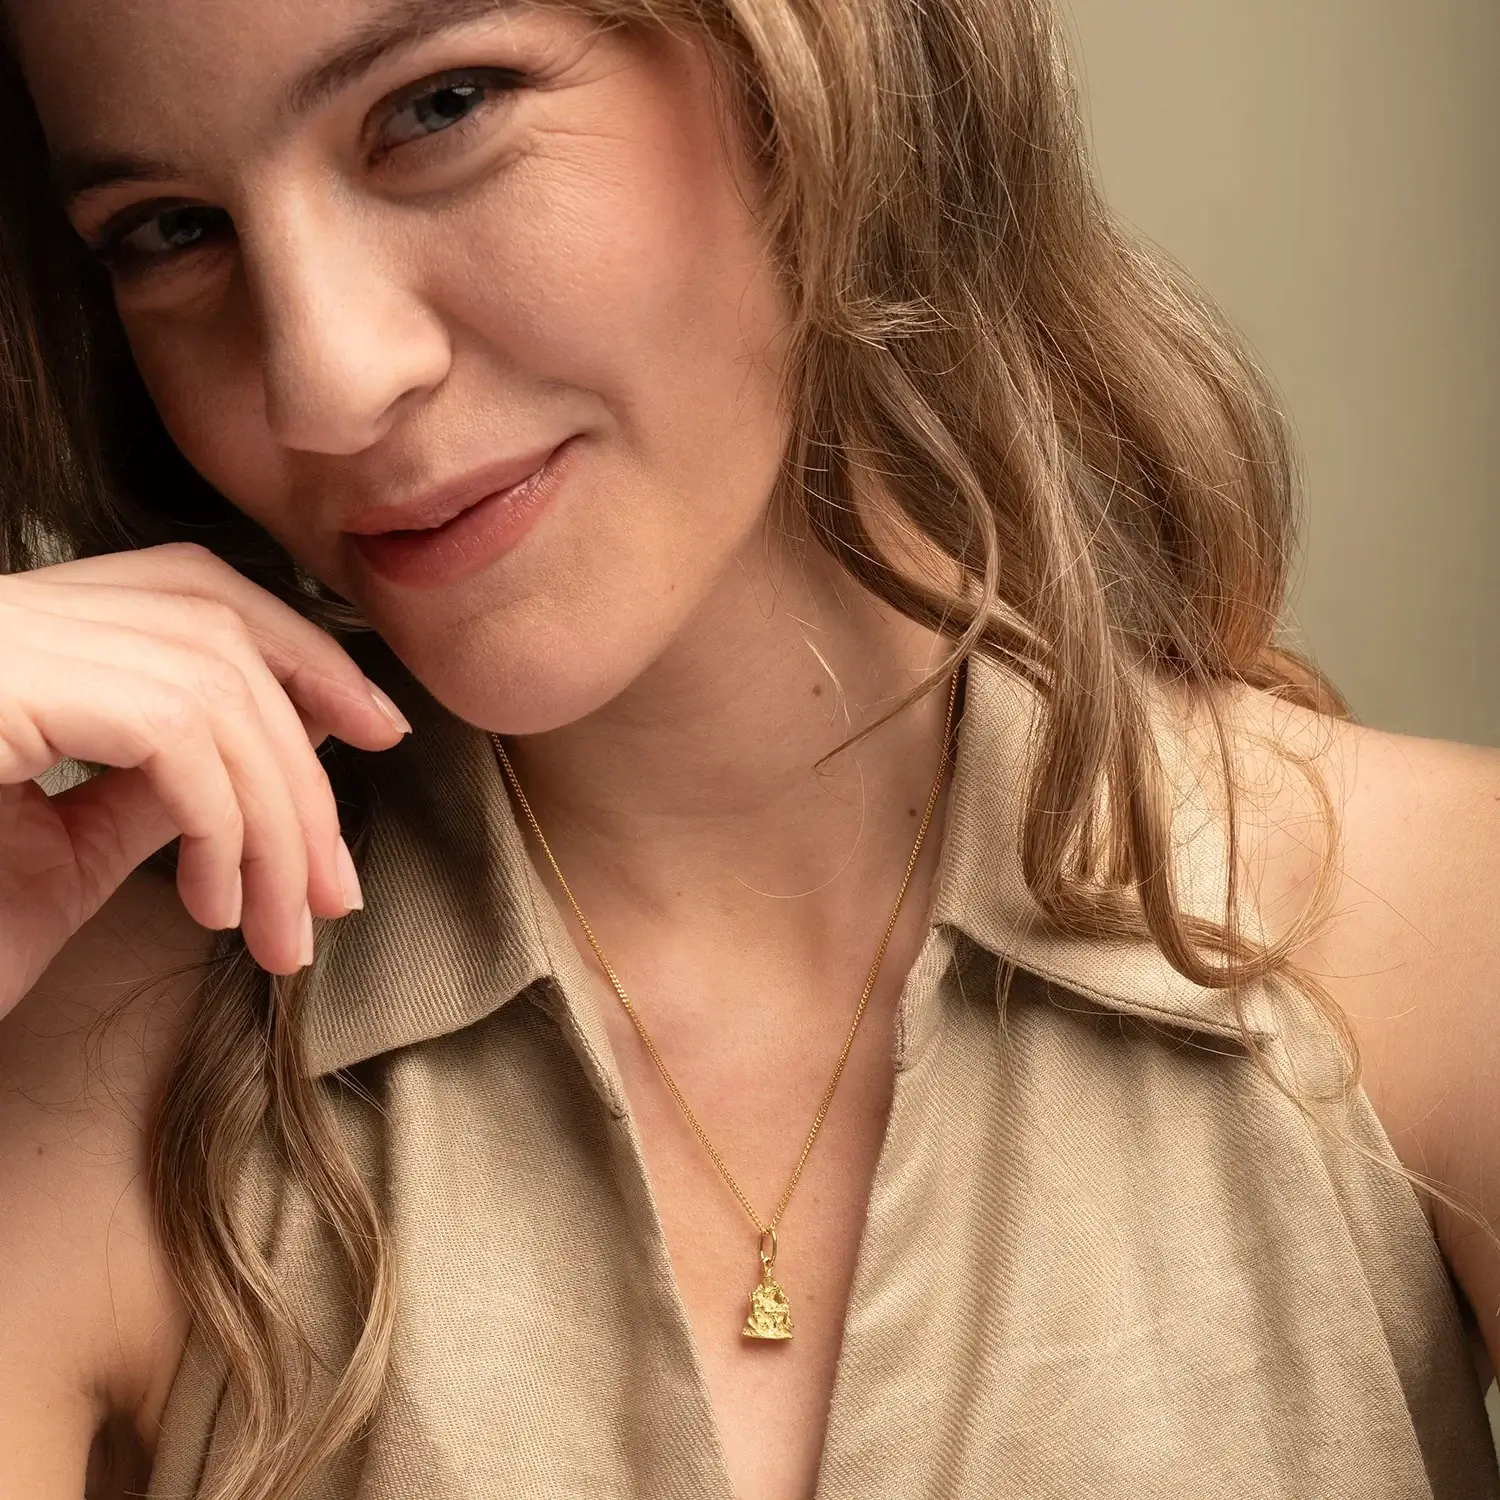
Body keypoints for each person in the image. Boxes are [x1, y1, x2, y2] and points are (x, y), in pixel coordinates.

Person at [0, 0, 1495, 1496]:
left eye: (442, 106)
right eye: (169, 230)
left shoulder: (1437, 937)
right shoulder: (89, 1074)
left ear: (816, 66)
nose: (325, 382)